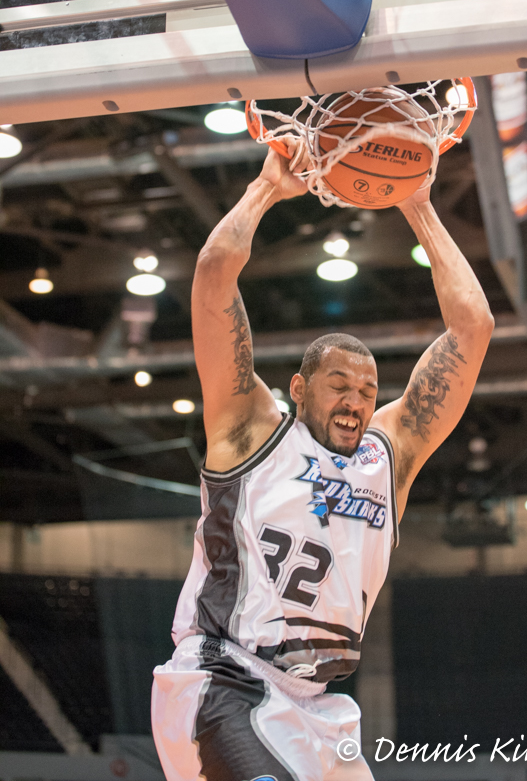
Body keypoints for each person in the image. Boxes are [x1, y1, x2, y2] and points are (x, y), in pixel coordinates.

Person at [151, 140, 494, 781]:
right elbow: (214, 273)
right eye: (339, 385)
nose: (356, 401)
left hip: (318, 702)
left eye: (367, 390)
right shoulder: (251, 431)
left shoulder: (388, 455)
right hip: (224, 676)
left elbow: (473, 327)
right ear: (299, 389)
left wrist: (418, 204)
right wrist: (265, 189)